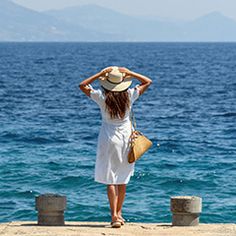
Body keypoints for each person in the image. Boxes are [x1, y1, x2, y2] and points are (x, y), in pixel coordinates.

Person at [79, 66, 152, 228]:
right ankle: (119, 213)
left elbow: (82, 85)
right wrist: (130, 72)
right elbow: (148, 81)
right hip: (126, 139)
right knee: (122, 179)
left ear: (106, 84)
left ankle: (113, 216)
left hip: (107, 138)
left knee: (110, 179)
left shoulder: (101, 96)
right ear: (123, 83)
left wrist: (100, 73)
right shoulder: (129, 95)